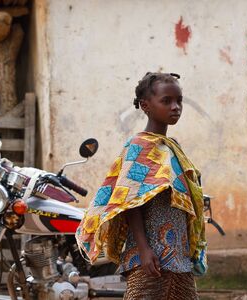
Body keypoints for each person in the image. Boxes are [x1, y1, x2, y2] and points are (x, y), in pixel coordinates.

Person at [76, 72, 207, 299]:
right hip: (149, 256)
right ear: (146, 105)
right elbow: (129, 202)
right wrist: (145, 251)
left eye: (179, 100)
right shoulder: (139, 147)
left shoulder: (171, 147)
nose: (175, 107)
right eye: (166, 101)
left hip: (178, 255)